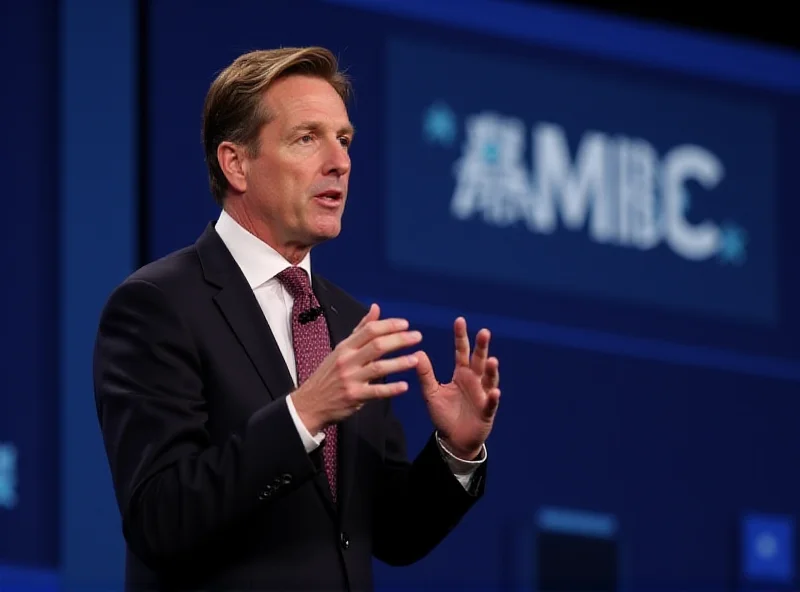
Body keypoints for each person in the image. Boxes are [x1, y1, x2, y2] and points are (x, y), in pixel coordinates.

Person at [93, 46, 501, 591]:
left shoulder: (348, 320)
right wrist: (304, 413)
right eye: (307, 138)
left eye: (345, 139)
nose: (340, 161)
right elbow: (160, 520)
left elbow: (392, 533)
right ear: (235, 163)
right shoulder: (159, 304)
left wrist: (456, 450)